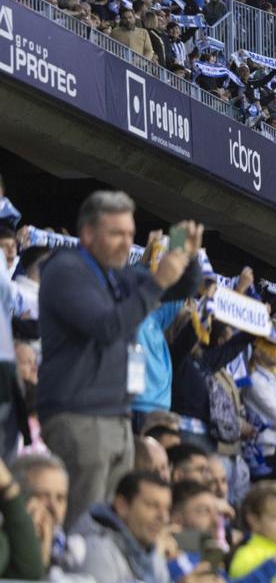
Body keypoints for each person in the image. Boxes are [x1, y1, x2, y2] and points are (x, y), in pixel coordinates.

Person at [38, 191, 203, 527]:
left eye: (130, 235)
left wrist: (186, 252)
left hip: (117, 419)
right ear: (87, 233)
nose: (126, 243)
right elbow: (107, 326)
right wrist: (157, 281)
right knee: (82, 526)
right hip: (79, 418)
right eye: (116, 234)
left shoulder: (120, 277)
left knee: (114, 527)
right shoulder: (66, 270)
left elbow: (185, 287)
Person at [67, 471, 173, 583]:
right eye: (152, 505)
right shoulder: (97, 551)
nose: (163, 517)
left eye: (167, 509)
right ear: (122, 506)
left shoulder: (153, 555)